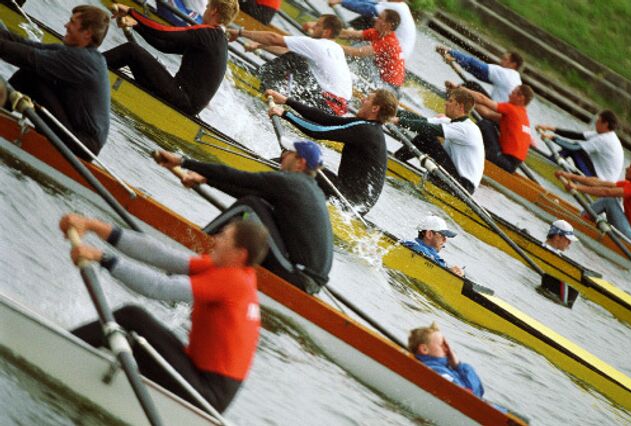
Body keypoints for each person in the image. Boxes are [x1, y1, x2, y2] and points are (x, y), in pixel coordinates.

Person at [60, 213, 269, 413]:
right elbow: (159, 254)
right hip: (198, 377)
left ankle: (61, 347)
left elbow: (159, 287)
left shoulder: (231, 282)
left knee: (132, 317)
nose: (215, 239)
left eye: (224, 237)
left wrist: (102, 258)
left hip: (205, 396)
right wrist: (93, 226)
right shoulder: (231, 271)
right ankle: (79, 354)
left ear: (239, 254)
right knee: (134, 331)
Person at [155, 140, 333, 294]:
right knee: (253, 204)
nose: (282, 156)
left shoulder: (290, 182)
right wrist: (207, 180)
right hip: (304, 275)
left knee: (250, 206)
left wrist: (183, 161)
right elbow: (248, 189)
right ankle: (217, 262)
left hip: (297, 275)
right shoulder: (309, 188)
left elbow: (238, 177)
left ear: (300, 163)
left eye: (288, 153)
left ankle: (189, 252)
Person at [0, 5, 110, 160]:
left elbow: (26, 56)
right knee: (34, 71)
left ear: (87, 33)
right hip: (73, 129)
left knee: (32, 73)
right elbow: (24, 44)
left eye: (72, 23)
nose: (66, 25)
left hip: (81, 144)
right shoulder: (78, 54)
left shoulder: (81, 60)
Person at [267, 88, 397, 215]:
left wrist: (285, 114)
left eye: (368, 99)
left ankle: (261, 180)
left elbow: (317, 131)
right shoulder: (366, 126)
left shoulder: (366, 131)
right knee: (291, 161)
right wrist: (286, 101)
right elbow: (324, 119)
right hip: (350, 197)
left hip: (349, 203)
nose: (363, 100)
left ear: (375, 108)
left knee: (295, 162)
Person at [105, 0, 238, 116]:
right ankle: (98, 70)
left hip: (182, 99)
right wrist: (136, 25)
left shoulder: (207, 34)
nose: (205, 10)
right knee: (134, 55)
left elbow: (163, 31)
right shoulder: (218, 39)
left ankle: (88, 65)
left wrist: (131, 11)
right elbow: (165, 46)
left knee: (131, 50)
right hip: (185, 102)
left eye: (207, 6)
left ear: (214, 11)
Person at [232, 15, 352, 115]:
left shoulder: (317, 45)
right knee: (298, 59)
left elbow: (273, 38)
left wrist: (240, 32)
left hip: (325, 105)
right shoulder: (337, 49)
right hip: (337, 109)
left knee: (295, 59)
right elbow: (289, 51)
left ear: (326, 32)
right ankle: (281, 94)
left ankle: (266, 88)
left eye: (318, 25)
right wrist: (260, 45)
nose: (313, 26)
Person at [392, 88, 484, 194]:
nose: (445, 104)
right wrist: (390, 110)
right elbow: (421, 120)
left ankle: (395, 160)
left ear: (460, 106)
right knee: (426, 132)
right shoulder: (451, 122)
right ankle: (397, 159)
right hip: (453, 178)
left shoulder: (466, 129)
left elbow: (427, 129)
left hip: (462, 187)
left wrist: (398, 121)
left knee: (428, 137)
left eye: (450, 101)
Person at [556, 154, 631, 247]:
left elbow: (606, 192)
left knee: (609, 200)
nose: (627, 168)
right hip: (629, 232)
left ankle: (577, 222)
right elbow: (598, 182)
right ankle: (582, 219)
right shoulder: (630, 185)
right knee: (604, 213)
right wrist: (569, 175)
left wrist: (577, 187)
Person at [463, 84, 534, 173]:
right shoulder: (522, 115)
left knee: (484, 124)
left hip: (503, 160)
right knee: (487, 124)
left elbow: (482, 99)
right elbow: (487, 113)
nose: (509, 95)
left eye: (513, 93)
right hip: (510, 165)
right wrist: (465, 100)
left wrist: (460, 90)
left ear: (521, 98)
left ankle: (462, 144)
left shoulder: (512, 109)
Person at [536, 110, 624, 182]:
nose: (596, 123)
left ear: (605, 124)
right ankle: (552, 163)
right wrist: (550, 128)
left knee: (575, 149)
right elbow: (576, 135)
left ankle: (546, 165)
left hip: (599, 182)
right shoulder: (604, 134)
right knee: (574, 147)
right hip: (598, 175)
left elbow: (574, 147)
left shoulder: (605, 140)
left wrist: (553, 138)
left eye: (598, 121)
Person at [408, 322, 484, 397]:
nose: (447, 349)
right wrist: (459, 366)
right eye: (442, 345)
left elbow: (479, 392)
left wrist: (458, 366)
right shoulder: (436, 370)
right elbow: (468, 396)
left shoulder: (449, 369)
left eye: (446, 345)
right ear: (424, 349)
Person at [338, 9, 405, 92]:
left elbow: (357, 53)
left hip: (388, 87)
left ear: (389, 25)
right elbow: (349, 34)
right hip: (379, 75)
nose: (376, 19)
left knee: (362, 50)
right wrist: (325, 29)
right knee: (361, 45)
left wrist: (333, 45)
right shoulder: (377, 32)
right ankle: (339, 66)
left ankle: (338, 68)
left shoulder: (389, 41)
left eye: (380, 18)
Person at [328, 0, 416, 60]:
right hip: (394, 47)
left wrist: (341, 1)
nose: (377, 20)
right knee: (367, 21)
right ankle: (334, 29)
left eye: (380, 18)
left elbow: (366, 9)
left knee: (368, 18)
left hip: (397, 52)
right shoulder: (397, 4)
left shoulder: (397, 8)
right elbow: (367, 3)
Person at [437, 46, 522, 105]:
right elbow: (478, 74)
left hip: (494, 113)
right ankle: (452, 95)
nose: (501, 61)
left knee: (471, 86)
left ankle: (449, 99)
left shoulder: (506, 74)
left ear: (513, 65)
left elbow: (475, 64)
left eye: (505, 59)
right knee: (472, 85)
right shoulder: (516, 79)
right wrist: (456, 61)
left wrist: (450, 52)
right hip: (498, 111)